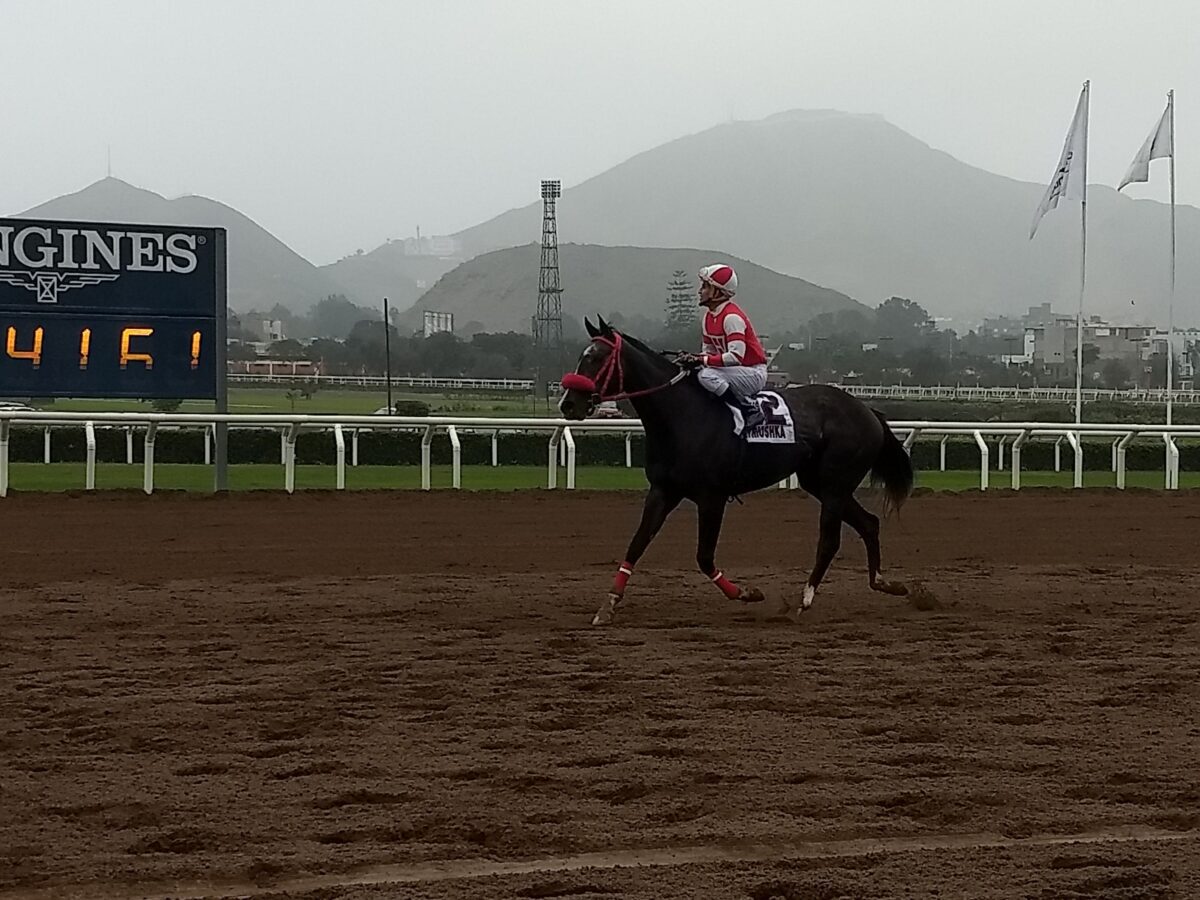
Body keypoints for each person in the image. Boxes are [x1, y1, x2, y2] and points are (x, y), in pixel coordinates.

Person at [678, 263, 768, 431]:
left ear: (718, 292)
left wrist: (702, 360)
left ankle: (748, 409)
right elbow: (708, 353)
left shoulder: (731, 318)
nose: (700, 291)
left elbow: (735, 357)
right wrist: (693, 358)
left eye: (705, 287)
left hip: (753, 373)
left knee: (706, 376)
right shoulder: (708, 318)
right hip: (732, 372)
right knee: (696, 373)